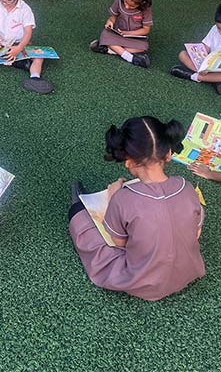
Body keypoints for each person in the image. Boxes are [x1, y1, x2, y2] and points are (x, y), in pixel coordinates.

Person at [69, 116, 205, 301]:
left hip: (144, 281)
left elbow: (120, 243)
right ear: (168, 154)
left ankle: (78, 205)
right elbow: (196, 232)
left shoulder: (122, 198)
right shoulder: (186, 187)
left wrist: (113, 196)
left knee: (78, 214)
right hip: (188, 270)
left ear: (128, 161)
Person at [89, 0, 153, 68]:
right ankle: (130, 58)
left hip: (135, 37)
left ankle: (110, 50)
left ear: (142, 3)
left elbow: (146, 29)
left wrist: (129, 33)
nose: (126, 6)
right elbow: (112, 17)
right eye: (125, 2)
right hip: (118, 34)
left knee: (143, 48)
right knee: (105, 35)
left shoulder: (146, 9)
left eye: (131, 6)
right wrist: (110, 22)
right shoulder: (118, 2)